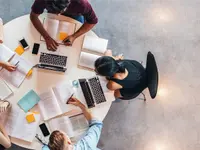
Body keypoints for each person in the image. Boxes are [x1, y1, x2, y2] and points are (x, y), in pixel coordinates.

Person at [30, 0, 98, 51]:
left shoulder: (82, 4)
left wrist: (74, 36)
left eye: (60, 11)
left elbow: (93, 21)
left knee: (75, 46)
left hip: (75, 15)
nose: (58, 15)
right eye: (55, 11)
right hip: (58, 13)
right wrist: (46, 37)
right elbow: (33, 16)